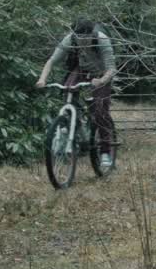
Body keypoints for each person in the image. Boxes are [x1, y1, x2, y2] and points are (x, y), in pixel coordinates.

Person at [36, 20, 117, 169]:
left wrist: (101, 80)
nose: (83, 42)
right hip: (82, 70)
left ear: (92, 34)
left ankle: (105, 152)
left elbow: (111, 68)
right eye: (80, 38)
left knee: (100, 111)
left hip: (101, 73)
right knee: (68, 90)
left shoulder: (102, 40)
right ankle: (74, 124)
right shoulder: (69, 39)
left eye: (86, 38)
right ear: (74, 35)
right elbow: (51, 61)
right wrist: (42, 79)